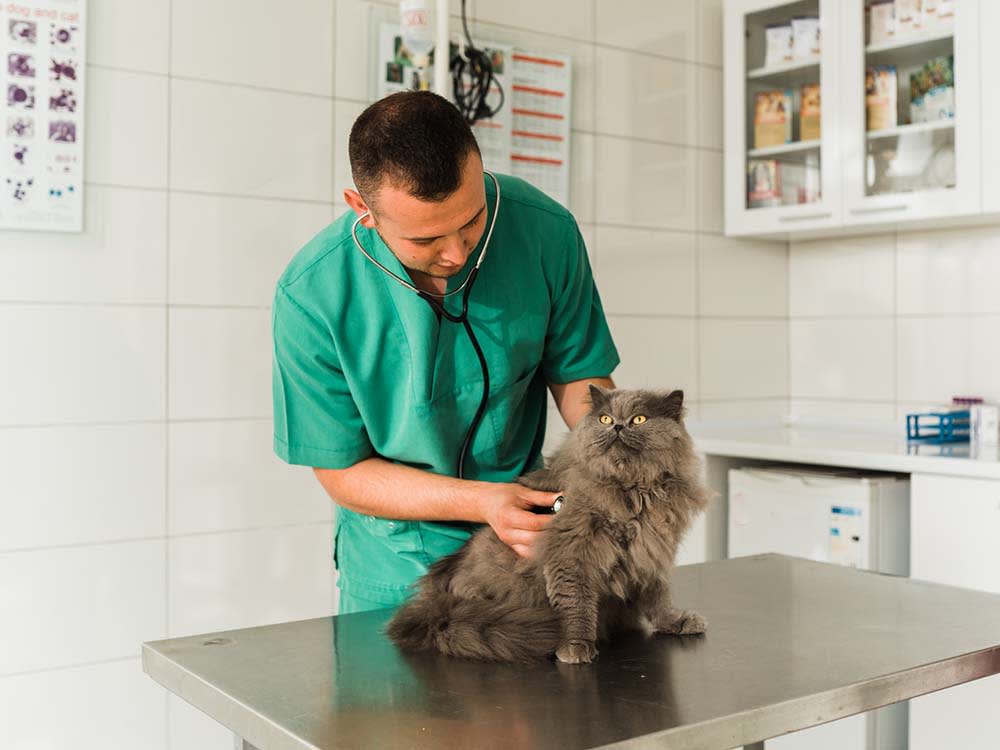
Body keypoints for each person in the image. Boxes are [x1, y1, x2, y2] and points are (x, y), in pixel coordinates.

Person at [271, 91, 619, 614]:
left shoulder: (545, 231)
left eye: (472, 220)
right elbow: (342, 470)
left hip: (525, 550)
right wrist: (483, 501)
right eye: (426, 239)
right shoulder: (312, 294)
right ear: (361, 209)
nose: (457, 253)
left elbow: (579, 375)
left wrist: (613, 457)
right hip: (395, 565)